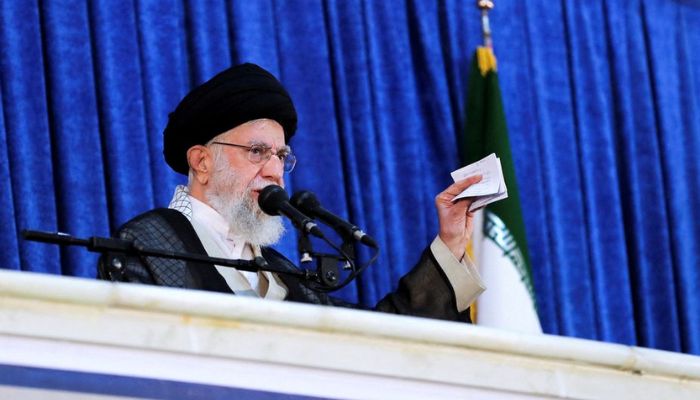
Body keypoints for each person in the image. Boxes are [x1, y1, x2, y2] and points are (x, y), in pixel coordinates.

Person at [99, 63, 485, 322]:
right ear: (201, 161)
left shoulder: (285, 276)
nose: (274, 171)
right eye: (256, 152)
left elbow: (376, 341)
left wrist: (451, 242)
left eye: (280, 155)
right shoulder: (143, 244)